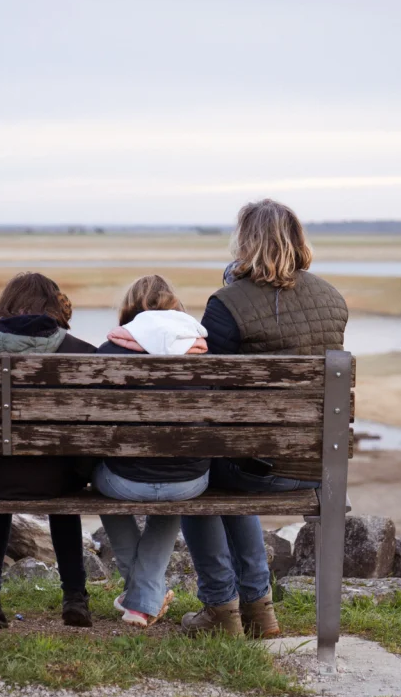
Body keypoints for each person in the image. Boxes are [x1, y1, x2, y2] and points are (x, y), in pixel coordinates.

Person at [181, 199, 348, 639]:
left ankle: (222, 608)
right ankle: (260, 611)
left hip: (256, 468)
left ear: (245, 241)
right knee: (239, 466)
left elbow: (204, 390)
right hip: (316, 467)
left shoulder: (227, 304)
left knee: (193, 474)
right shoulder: (332, 297)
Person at [0, 272, 97, 629]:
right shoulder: (83, 354)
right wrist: (84, 470)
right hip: (59, 479)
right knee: (62, 483)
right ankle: (75, 596)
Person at [94, 275, 211, 627]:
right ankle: (143, 600)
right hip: (189, 481)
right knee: (175, 477)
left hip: (122, 481)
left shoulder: (109, 352)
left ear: (130, 309)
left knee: (97, 482)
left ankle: (142, 598)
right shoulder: (206, 351)